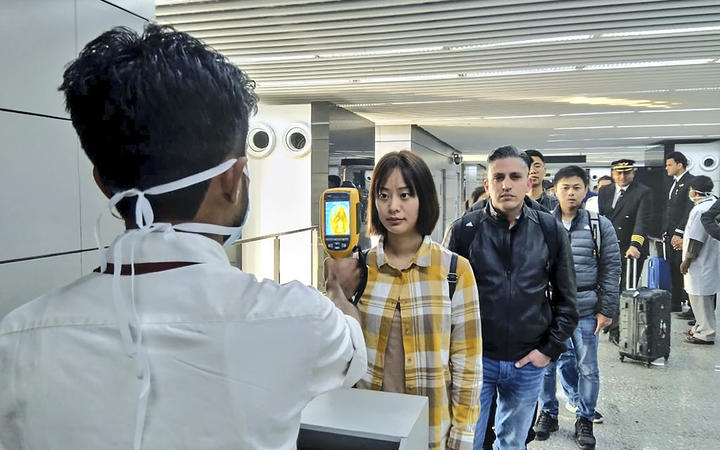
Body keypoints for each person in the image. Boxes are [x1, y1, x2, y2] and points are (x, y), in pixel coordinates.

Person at [0, 25, 367, 450]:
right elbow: (351, 351)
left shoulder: (17, 338)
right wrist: (340, 291)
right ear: (232, 179)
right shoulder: (299, 319)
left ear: (103, 183)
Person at [345, 150, 482, 449]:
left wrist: (461, 436)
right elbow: (338, 352)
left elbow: (468, 364)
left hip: (430, 432)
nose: (393, 206)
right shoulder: (358, 268)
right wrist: (334, 291)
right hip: (366, 427)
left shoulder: (455, 271)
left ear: (424, 199)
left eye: (405, 195)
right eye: (383, 195)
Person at [447, 146, 578, 450]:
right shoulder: (465, 230)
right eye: (499, 177)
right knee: (467, 442)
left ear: (528, 182)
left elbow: (567, 300)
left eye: (515, 176)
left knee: (513, 443)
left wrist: (547, 351)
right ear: (487, 183)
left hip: (527, 361)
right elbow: (443, 298)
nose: (506, 184)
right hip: (475, 360)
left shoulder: (549, 229)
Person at [535, 166, 621, 450]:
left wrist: (606, 309)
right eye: (564, 188)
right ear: (554, 191)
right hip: (549, 308)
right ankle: (548, 413)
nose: (570, 193)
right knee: (546, 365)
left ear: (586, 189)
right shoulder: (543, 223)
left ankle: (584, 417)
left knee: (588, 368)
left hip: (586, 308)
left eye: (576, 187)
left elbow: (611, 269)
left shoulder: (600, 225)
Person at [597, 159, 652, 344]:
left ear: (633, 173)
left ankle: (618, 330)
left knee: (624, 289)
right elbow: (601, 218)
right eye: (618, 173)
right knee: (607, 287)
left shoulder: (642, 192)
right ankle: (611, 321)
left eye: (626, 172)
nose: (622, 176)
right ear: (613, 173)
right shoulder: (604, 191)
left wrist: (635, 245)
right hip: (608, 246)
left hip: (630, 248)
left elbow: (642, 221)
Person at [680, 176, 720, 345]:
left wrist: (687, 261)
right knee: (704, 297)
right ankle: (700, 326)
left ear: (695, 191)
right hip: (710, 259)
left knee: (700, 297)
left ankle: (706, 333)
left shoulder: (699, 210)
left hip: (700, 261)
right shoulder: (712, 203)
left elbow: (696, 238)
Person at [664, 151, 696, 315]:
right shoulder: (675, 183)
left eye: (669, 164)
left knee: (685, 270)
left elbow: (688, 210)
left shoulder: (690, 182)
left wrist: (679, 232)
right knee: (674, 269)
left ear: (679, 164)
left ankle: (692, 307)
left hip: (682, 235)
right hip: (671, 233)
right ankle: (675, 301)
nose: (667, 168)